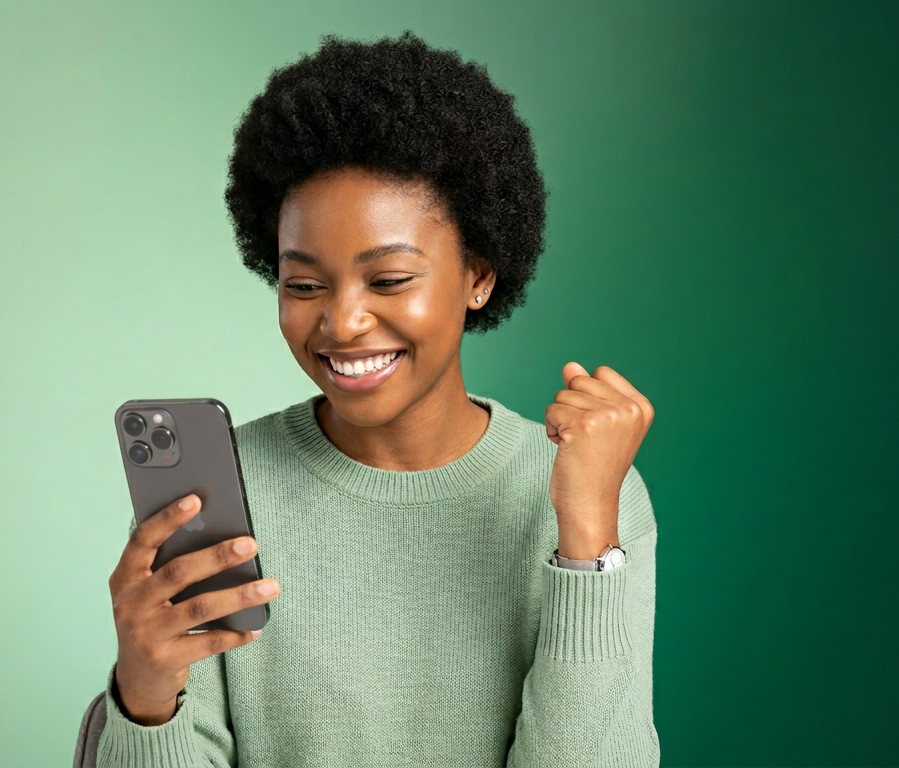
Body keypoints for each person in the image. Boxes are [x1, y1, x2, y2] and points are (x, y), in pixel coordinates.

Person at [82, 32, 659, 767]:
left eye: (387, 280)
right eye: (303, 284)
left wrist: (584, 539)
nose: (341, 322)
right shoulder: (215, 501)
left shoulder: (594, 496)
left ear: (478, 275)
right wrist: (144, 698)